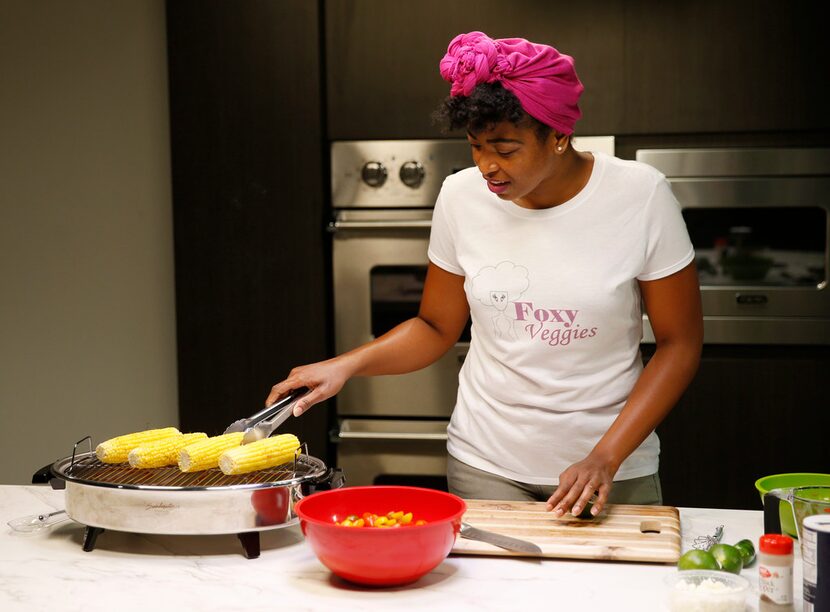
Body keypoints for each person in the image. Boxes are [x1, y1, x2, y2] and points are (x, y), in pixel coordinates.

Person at [267, 31, 703, 518]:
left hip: (611, 472)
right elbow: (434, 327)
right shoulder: (460, 197)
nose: (487, 166)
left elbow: (678, 343)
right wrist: (344, 365)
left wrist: (606, 456)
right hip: (485, 466)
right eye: (476, 147)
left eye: (506, 148)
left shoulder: (640, 196)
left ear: (559, 136)